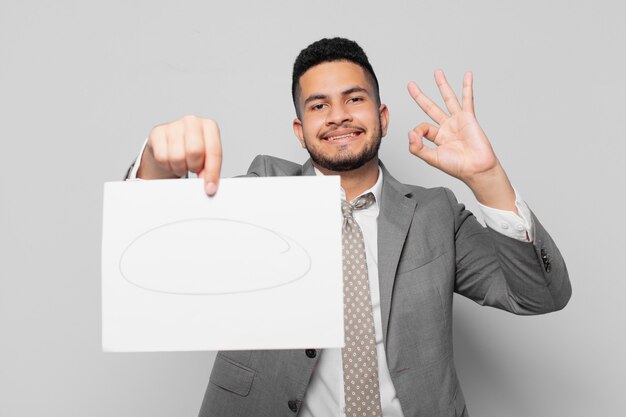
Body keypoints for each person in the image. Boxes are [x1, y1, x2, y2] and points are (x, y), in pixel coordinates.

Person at [125, 38, 571, 417]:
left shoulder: (437, 212)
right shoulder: (266, 190)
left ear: (383, 115)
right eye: (319, 105)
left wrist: (486, 176)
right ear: (300, 130)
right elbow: (159, 257)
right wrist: (156, 167)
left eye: (354, 99)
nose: (338, 116)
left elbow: (540, 295)